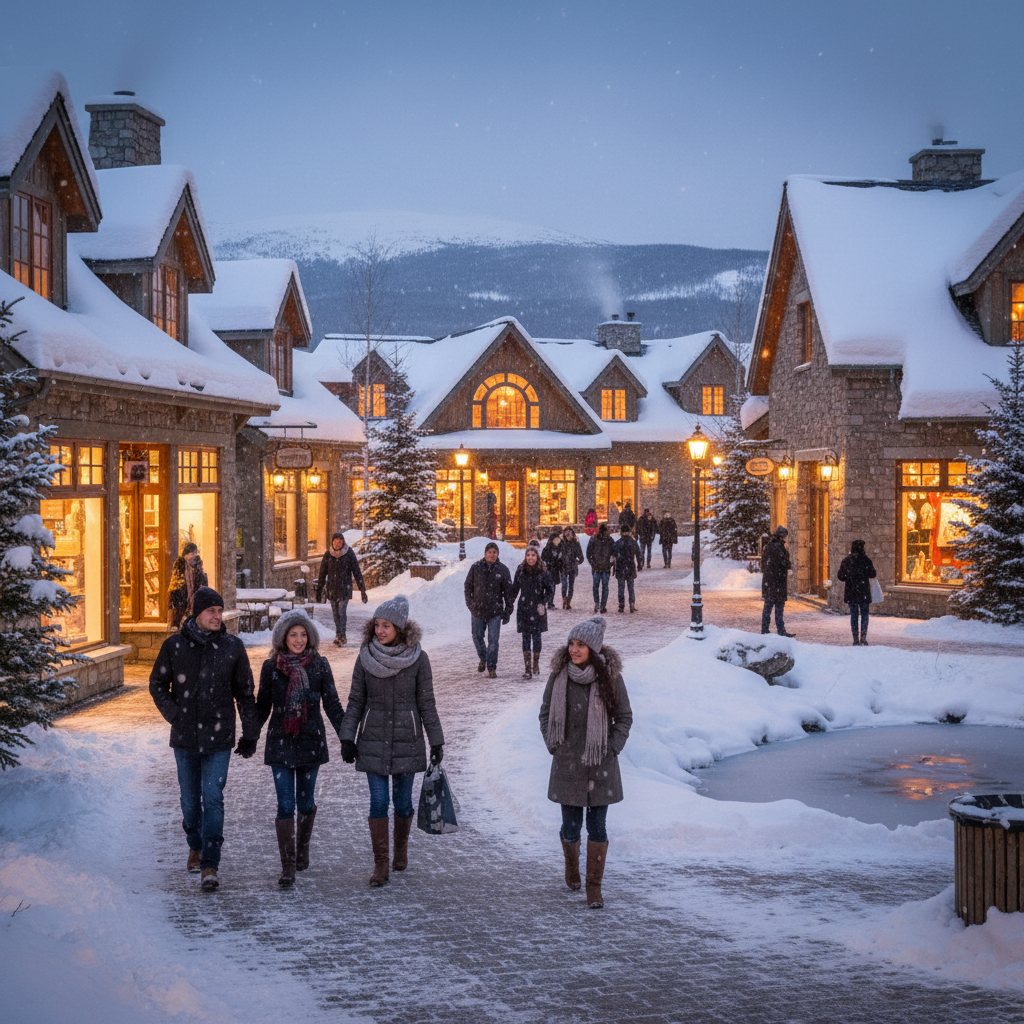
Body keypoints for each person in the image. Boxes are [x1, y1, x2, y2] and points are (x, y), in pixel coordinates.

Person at [149, 587, 259, 892]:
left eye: (220, 611)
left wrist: (250, 733)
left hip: (219, 738)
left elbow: (246, 693)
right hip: (184, 739)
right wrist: (175, 714)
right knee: (189, 802)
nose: (217, 616)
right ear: (197, 613)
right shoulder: (174, 646)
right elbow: (157, 683)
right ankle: (195, 844)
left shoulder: (232, 647)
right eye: (211, 610)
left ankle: (210, 863)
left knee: (213, 797)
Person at [339, 595, 444, 887]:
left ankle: (401, 850)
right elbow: (356, 700)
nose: (380, 631)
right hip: (372, 740)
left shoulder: (419, 660)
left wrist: (436, 741)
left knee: (402, 802)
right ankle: (381, 864)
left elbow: (427, 703)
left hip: (407, 740)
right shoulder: (365, 657)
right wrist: (348, 736)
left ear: (400, 627)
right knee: (378, 801)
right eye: (377, 625)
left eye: (386, 625)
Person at [538, 615, 632, 909]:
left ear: (593, 648)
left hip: (600, 763)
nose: (574, 650)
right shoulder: (559, 676)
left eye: (580, 645)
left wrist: (612, 748)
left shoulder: (610, 678)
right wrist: (554, 745)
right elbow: (544, 714)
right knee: (570, 826)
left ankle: (594, 887)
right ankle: (571, 867)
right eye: (571, 644)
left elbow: (624, 718)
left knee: (598, 827)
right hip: (568, 763)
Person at [255, 610, 345, 887]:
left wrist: (347, 738)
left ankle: (302, 847)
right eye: (293, 634)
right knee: (285, 805)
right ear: (283, 637)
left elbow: (331, 704)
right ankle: (288, 865)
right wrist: (249, 734)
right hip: (280, 742)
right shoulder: (271, 668)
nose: (299, 639)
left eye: (303, 634)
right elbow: (262, 707)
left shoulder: (319, 665)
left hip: (310, 740)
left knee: (305, 802)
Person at [464, 541, 513, 678]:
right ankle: (483, 657)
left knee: (493, 641)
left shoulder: (503, 570)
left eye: (494, 552)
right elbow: (468, 586)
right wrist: (471, 604)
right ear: (485, 554)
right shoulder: (476, 568)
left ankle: (491, 667)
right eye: (490, 552)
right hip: (478, 611)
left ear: (497, 554)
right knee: (477, 637)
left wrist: (508, 610)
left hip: (495, 612)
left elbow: (508, 592)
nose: (492, 554)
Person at [315, 532, 368, 646]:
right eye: (335, 542)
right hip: (332, 589)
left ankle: (342, 634)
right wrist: (319, 590)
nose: (337, 544)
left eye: (339, 542)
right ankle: (338, 634)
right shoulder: (328, 554)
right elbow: (322, 573)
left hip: (344, 588)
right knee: (335, 613)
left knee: (341, 612)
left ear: (343, 542)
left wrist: (362, 590)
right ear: (332, 542)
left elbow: (357, 572)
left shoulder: (349, 554)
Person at [511, 545, 555, 679]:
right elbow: (515, 588)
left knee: (536, 636)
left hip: (538, 608)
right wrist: (509, 603)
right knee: (525, 637)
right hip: (524, 607)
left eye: (533, 555)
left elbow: (550, 589)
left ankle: (535, 663)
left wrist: (543, 602)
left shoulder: (543, 571)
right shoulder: (520, 570)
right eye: (528, 555)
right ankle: (527, 668)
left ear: (537, 557)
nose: (530, 558)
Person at [837, 539, 877, 646]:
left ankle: (855, 639)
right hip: (863, 592)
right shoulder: (866, 560)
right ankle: (863, 638)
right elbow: (873, 574)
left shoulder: (846, 561)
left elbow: (840, 576)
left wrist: (849, 577)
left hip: (851, 592)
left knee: (854, 616)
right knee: (864, 615)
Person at [761, 526, 795, 637]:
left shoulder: (769, 547)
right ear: (781, 536)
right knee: (778, 607)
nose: (786, 538)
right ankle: (780, 630)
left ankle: (765, 629)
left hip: (770, 582)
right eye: (785, 536)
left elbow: (764, 564)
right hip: (777, 582)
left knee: (768, 606)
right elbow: (782, 563)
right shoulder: (778, 548)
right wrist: (787, 566)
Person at [168, 542, 207, 629]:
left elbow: (201, 583)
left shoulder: (197, 567)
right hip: (181, 602)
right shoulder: (180, 566)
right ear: (186, 554)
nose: (194, 556)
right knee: (180, 628)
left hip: (194, 601)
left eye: (195, 553)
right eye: (192, 553)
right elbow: (175, 586)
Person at [586, 523, 615, 614]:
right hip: (601, 567)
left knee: (597, 586)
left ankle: (599, 604)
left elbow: (588, 553)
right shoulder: (608, 540)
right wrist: (610, 563)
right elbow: (613, 554)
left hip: (599, 567)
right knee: (603, 587)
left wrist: (593, 563)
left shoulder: (595, 539)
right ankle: (601, 605)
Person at [613, 527, 642, 613]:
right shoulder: (633, 542)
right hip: (630, 567)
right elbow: (638, 554)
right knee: (630, 587)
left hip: (620, 567)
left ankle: (621, 605)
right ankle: (632, 603)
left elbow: (613, 555)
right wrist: (639, 564)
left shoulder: (618, 543)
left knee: (621, 588)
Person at [559, 527, 585, 609]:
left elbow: (581, 557)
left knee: (571, 585)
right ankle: (564, 599)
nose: (568, 534)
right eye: (566, 532)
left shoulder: (575, 543)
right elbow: (558, 555)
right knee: (564, 584)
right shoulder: (561, 543)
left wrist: (576, 562)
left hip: (572, 567)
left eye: (570, 532)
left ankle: (568, 601)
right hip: (563, 567)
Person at [540, 528, 563, 609]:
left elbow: (561, 560)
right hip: (548, 571)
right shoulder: (547, 549)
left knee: (552, 588)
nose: (557, 542)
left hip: (555, 571)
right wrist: (548, 564)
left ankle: (550, 603)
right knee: (548, 587)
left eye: (558, 540)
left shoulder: (560, 549)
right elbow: (543, 558)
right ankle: (545, 602)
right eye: (555, 540)